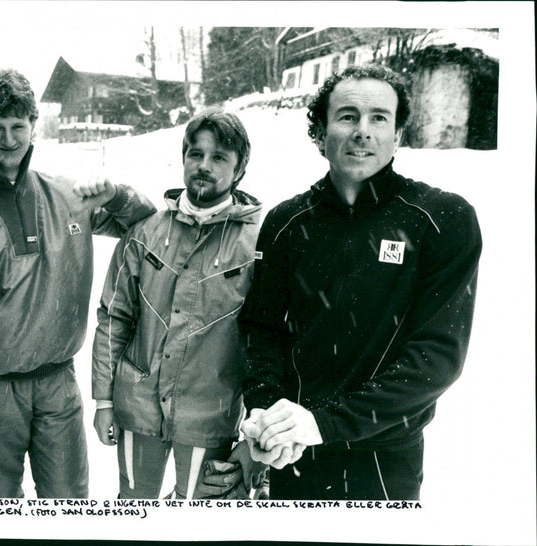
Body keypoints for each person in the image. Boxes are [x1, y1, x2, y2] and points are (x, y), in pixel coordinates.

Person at [238, 65, 483, 500]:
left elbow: (437, 355)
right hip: (293, 455)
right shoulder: (285, 223)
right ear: (319, 132)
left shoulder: (442, 219)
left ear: (399, 134)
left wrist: (325, 423)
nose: (363, 132)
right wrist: (263, 411)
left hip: (384, 459)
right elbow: (261, 330)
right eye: (348, 116)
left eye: (379, 118)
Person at [0, 68, 156, 498]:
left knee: (69, 503)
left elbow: (143, 223)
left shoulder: (69, 195)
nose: (9, 139)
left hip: (59, 384)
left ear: (35, 124)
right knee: (0, 512)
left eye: (19, 126)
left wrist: (115, 194)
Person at [91, 110, 267, 499]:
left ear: (239, 170)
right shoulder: (145, 231)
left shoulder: (258, 244)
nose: (204, 166)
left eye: (219, 157)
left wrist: (260, 430)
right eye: (195, 154)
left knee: (197, 520)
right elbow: (113, 318)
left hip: (211, 413)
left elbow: (269, 341)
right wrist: (104, 400)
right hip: (138, 406)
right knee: (135, 509)